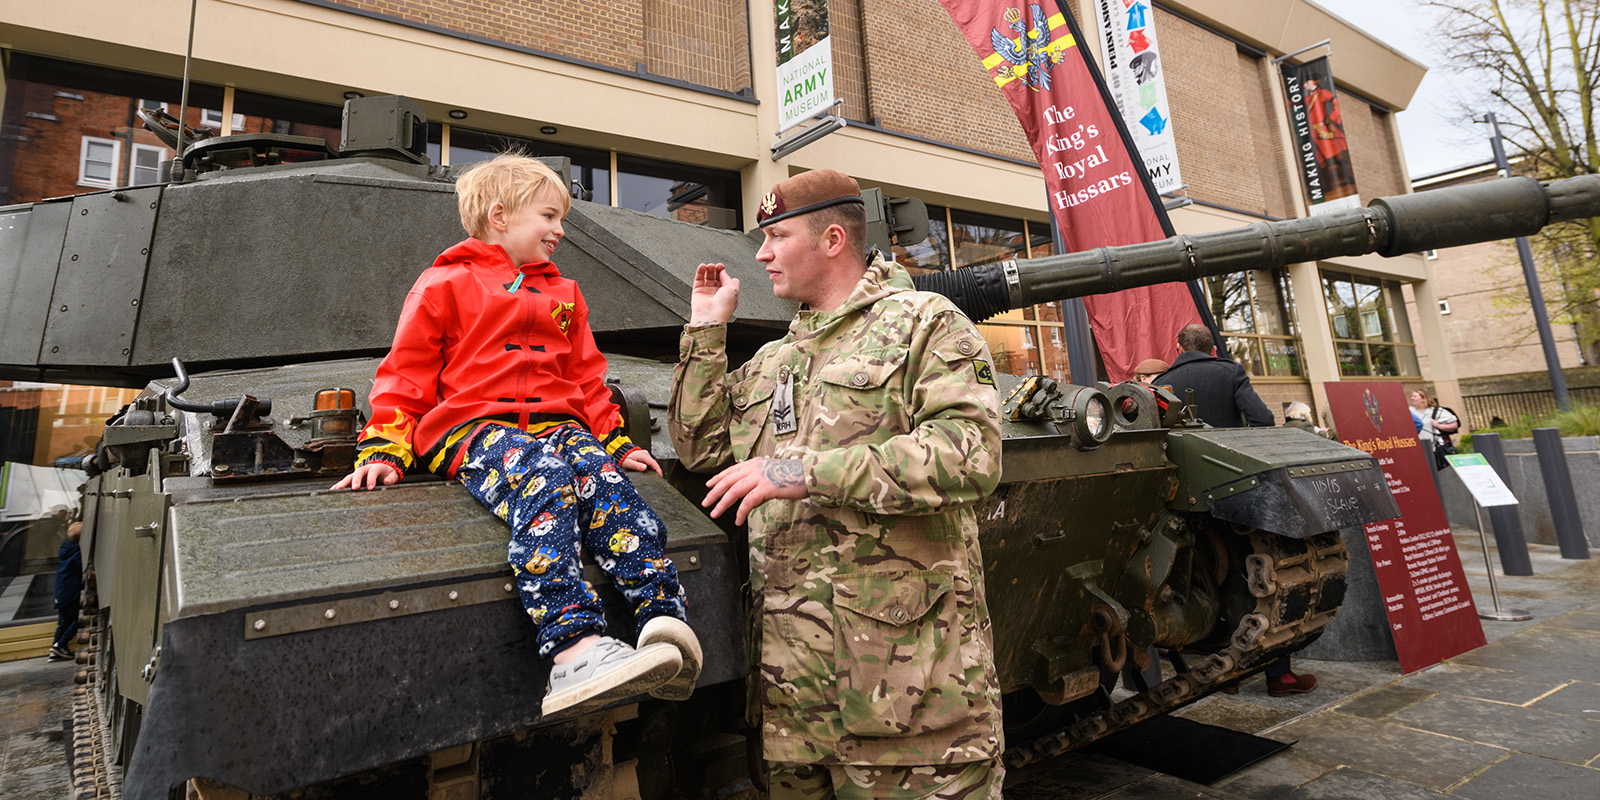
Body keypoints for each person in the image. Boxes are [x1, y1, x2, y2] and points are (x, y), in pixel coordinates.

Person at [669, 169, 1005, 798]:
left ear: (831, 239)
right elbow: (701, 447)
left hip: (911, 714)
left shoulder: (924, 323)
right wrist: (706, 331)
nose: (762, 252)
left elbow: (971, 454)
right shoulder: (778, 358)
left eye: (776, 236)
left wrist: (802, 471)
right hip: (794, 710)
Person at [333, 154, 699, 717]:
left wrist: (616, 441)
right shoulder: (444, 284)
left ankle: (661, 622)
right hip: (473, 426)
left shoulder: (565, 295)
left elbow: (586, 377)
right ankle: (573, 652)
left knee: (605, 482)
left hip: (556, 423)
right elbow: (406, 371)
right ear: (500, 216)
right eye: (549, 217)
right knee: (546, 482)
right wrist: (384, 447)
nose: (559, 231)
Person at [1160, 324, 1315, 696]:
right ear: (1212, 348)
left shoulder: (1164, 382)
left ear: (1178, 346)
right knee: (1261, 578)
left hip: (1184, 499)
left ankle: (1224, 671)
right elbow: (1261, 420)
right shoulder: (1229, 371)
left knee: (1208, 576)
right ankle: (1279, 674)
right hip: (1234, 491)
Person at [1155, 324, 1275, 428]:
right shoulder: (1231, 373)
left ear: (1179, 349)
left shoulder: (1159, 384)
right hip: (1229, 451)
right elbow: (1263, 419)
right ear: (1213, 350)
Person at [48, 520, 83, 661]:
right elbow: (81, 566)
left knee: (64, 622)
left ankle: (54, 649)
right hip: (71, 593)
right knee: (77, 620)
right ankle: (60, 645)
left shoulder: (66, 549)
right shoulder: (77, 552)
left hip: (61, 593)